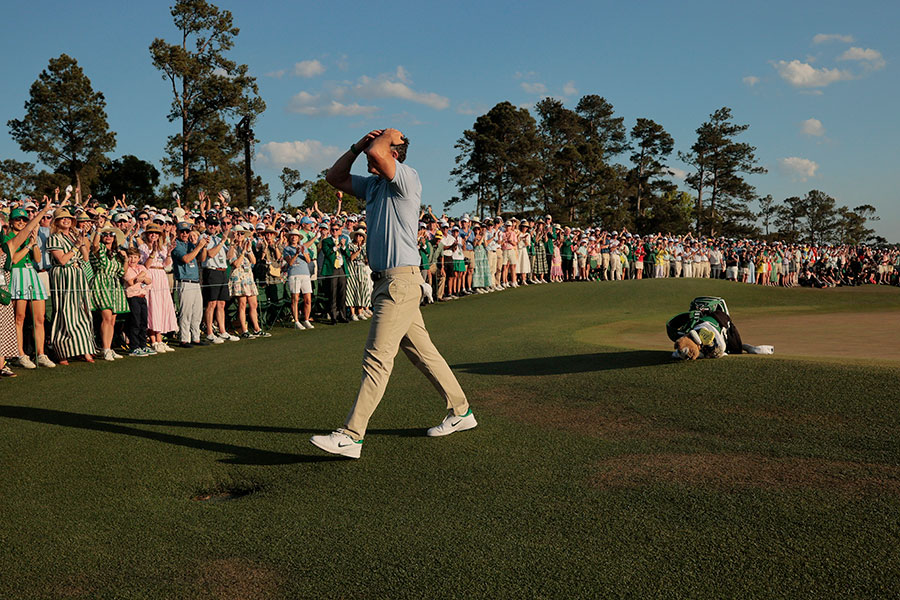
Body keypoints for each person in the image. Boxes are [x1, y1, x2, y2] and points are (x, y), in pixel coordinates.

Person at [312, 128, 475, 458]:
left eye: (379, 146)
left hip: (400, 282)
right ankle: (461, 412)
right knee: (422, 352)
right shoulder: (372, 184)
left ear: (394, 153)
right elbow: (334, 176)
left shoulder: (407, 177)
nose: (371, 150)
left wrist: (389, 134)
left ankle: (351, 435)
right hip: (388, 282)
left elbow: (378, 154)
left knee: (377, 357)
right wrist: (358, 144)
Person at [4, 205, 55, 369]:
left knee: (39, 318)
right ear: (11, 221)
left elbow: (38, 258)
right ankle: (20, 354)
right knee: (19, 319)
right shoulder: (7, 238)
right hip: (17, 276)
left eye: (24, 219)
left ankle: (41, 354)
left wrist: (33, 243)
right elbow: (14, 260)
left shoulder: (29, 236)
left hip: (31, 276)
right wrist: (27, 246)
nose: (21, 222)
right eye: (17, 219)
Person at [46, 207, 97, 365]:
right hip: (63, 276)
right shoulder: (54, 238)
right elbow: (61, 260)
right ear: (56, 222)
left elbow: (86, 258)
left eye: (68, 218)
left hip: (78, 274)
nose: (66, 220)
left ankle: (85, 349)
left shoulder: (75, 235)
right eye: (62, 218)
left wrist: (82, 243)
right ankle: (63, 352)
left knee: (82, 310)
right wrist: (75, 246)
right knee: (65, 312)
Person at [90, 226, 129, 361]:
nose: (108, 236)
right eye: (105, 234)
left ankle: (108, 347)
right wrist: (98, 229)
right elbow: (94, 245)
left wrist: (126, 260)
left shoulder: (116, 253)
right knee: (106, 317)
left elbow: (122, 272)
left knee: (112, 320)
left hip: (114, 284)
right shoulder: (99, 248)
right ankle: (105, 348)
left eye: (111, 234)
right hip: (101, 282)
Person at [171, 222, 208, 348]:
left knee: (197, 312)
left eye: (187, 231)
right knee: (185, 312)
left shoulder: (190, 244)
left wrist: (203, 247)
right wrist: (198, 247)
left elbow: (202, 259)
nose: (185, 234)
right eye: (182, 232)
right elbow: (186, 259)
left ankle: (196, 337)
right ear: (178, 232)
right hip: (185, 281)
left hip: (196, 281)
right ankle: (184, 339)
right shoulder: (176, 245)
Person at [123, 247, 154, 357]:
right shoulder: (127, 269)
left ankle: (143, 345)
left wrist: (141, 277)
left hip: (142, 296)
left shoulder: (141, 267)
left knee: (143, 322)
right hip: (133, 297)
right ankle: (134, 347)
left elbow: (149, 280)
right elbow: (131, 282)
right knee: (135, 322)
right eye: (130, 257)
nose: (132, 259)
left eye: (135, 257)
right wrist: (139, 277)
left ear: (139, 258)